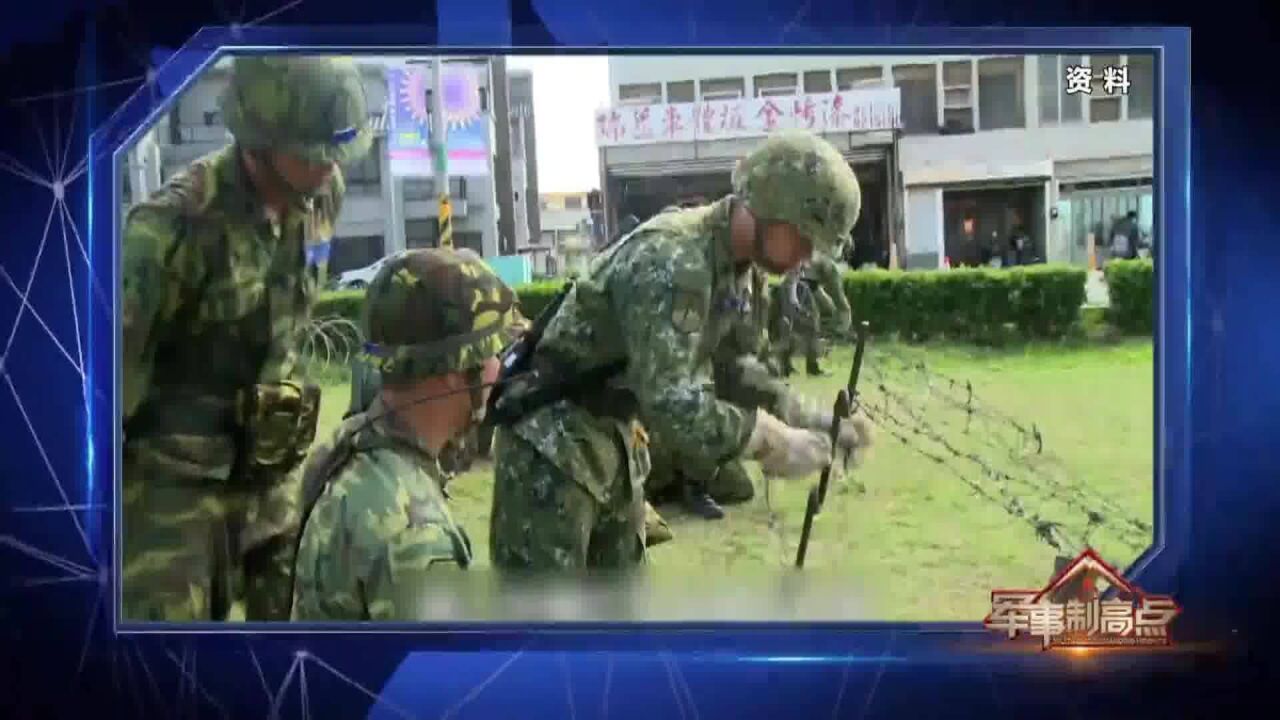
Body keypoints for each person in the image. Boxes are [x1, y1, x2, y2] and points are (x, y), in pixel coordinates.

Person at [487, 130, 874, 572]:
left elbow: (730, 369)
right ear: (770, 207)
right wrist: (768, 439)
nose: (807, 257)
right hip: (551, 449)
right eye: (804, 239)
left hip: (614, 442)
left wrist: (807, 415)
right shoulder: (674, 260)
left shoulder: (739, 269)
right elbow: (672, 402)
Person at [120, 56, 371, 622]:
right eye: (311, 156)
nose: (327, 171)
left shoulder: (321, 198)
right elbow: (106, 388)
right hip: (173, 495)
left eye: (335, 156)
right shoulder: (172, 229)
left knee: (296, 646)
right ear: (260, 140)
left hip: (271, 476)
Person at [291, 248, 521, 620]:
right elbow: (442, 677)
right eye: (495, 352)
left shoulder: (346, 450)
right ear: (457, 368)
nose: (500, 368)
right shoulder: (417, 538)